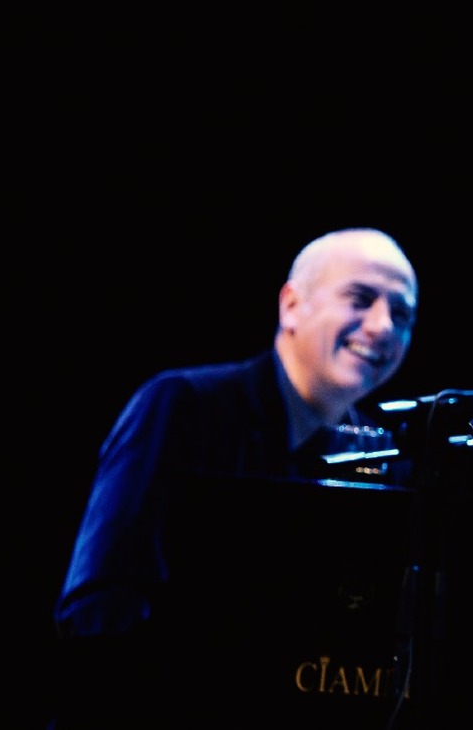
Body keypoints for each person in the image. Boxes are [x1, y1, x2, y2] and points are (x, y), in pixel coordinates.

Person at [49, 226, 420, 727]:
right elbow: (100, 601)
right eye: (360, 299)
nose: (382, 326)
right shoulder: (185, 407)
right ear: (291, 305)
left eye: (402, 314)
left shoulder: (383, 456)